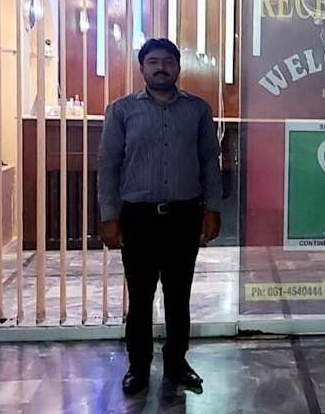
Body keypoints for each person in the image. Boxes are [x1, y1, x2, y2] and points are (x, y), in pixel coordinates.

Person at [97, 38, 222, 395]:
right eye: (153, 62)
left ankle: (177, 363)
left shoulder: (198, 110)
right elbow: (108, 166)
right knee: (140, 298)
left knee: (178, 296)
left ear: (178, 67)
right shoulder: (121, 111)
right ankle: (138, 366)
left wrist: (212, 209)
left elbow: (209, 162)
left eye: (168, 61)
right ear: (142, 68)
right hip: (139, 218)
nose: (161, 68)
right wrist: (109, 216)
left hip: (184, 216)